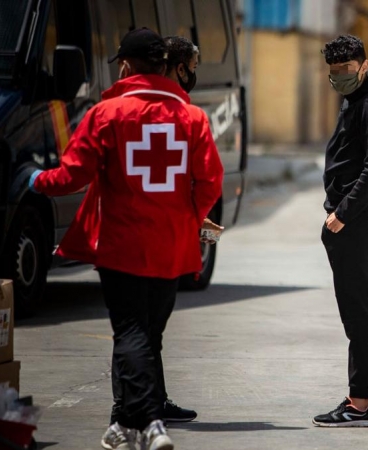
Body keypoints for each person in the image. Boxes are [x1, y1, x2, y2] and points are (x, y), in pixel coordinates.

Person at [30, 28, 223, 449]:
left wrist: (35, 180)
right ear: (165, 66)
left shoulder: (107, 114)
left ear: (126, 65)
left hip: (122, 246)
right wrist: (188, 216)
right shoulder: (193, 118)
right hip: (172, 247)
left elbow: (73, 175)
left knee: (132, 333)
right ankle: (123, 422)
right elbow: (211, 181)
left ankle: (152, 424)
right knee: (148, 334)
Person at [103, 35, 206, 432]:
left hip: (154, 233)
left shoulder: (178, 110)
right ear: (176, 67)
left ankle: (150, 401)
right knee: (136, 328)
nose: (195, 75)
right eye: (192, 68)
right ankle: (128, 408)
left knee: (147, 328)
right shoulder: (174, 113)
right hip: (148, 235)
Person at [313, 34, 368, 427]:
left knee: (358, 313)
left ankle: (358, 402)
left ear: (363, 65)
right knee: (367, 308)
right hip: (359, 217)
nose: (339, 78)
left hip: (357, 220)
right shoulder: (358, 99)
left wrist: (341, 213)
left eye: (346, 70)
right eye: (333, 73)